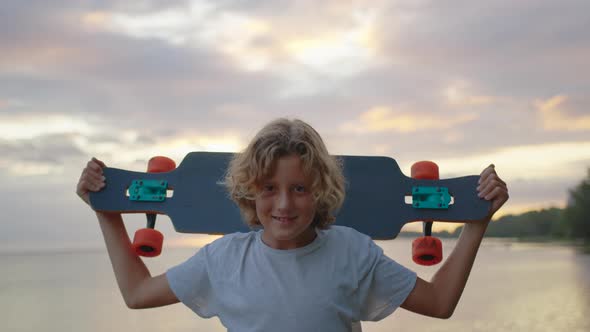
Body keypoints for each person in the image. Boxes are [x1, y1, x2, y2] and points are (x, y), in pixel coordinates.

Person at [76, 118, 509, 331]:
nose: (283, 204)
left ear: (320, 190)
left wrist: (477, 223)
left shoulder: (350, 250)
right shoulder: (224, 258)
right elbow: (137, 295)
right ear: (250, 191)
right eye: (269, 188)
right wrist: (107, 214)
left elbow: (439, 303)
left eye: (299, 189)